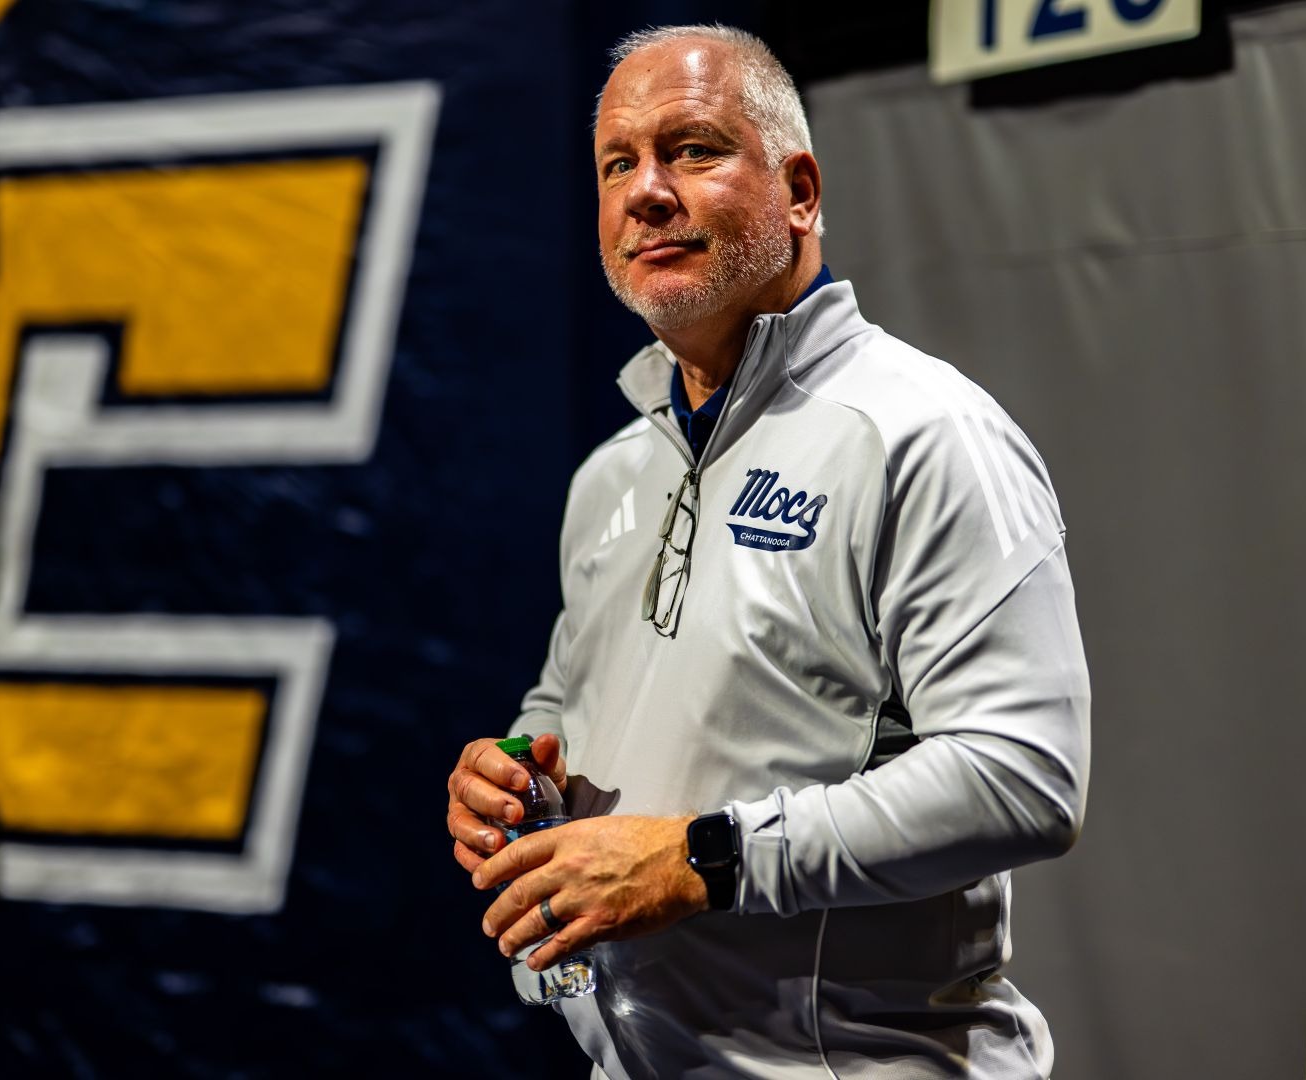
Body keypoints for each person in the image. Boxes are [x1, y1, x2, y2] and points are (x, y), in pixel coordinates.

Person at [444, 24, 1090, 1079]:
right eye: (619, 164)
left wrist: (705, 860)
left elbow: (1024, 776)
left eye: (692, 149)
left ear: (799, 189)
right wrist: (518, 770)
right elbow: (572, 702)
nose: (648, 191)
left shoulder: (924, 435)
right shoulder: (614, 471)